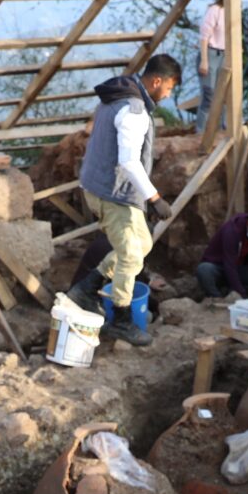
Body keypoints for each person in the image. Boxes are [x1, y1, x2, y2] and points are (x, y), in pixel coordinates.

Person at [66, 55, 184, 347]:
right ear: (156, 81)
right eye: (168, 88)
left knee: (143, 244)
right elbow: (130, 161)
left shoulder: (116, 95)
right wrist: (154, 198)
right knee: (131, 254)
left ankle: (87, 287)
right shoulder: (134, 110)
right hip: (112, 192)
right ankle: (120, 319)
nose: (168, 95)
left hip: (100, 184)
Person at [196, 0, 227, 129]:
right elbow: (204, 36)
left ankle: (221, 128)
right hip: (211, 53)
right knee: (209, 94)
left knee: (223, 94)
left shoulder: (233, 11)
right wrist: (204, 60)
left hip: (225, 54)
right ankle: (201, 131)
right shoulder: (215, 10)